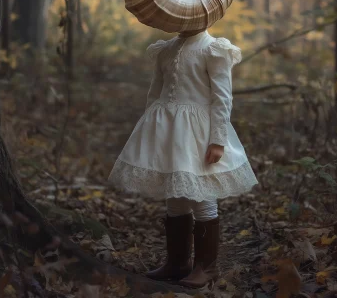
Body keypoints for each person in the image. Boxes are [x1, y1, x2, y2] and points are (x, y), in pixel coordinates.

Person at [108, 28, 258, 288]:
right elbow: (155, 92)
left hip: (198, 131)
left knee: (201, 194)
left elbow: (222, 98)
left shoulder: (214, 49)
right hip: (167, 129)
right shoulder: (165, 49)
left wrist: (218, 139)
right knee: (175, 196)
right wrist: (150, 128)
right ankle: (177, 262)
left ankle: (206, 267)